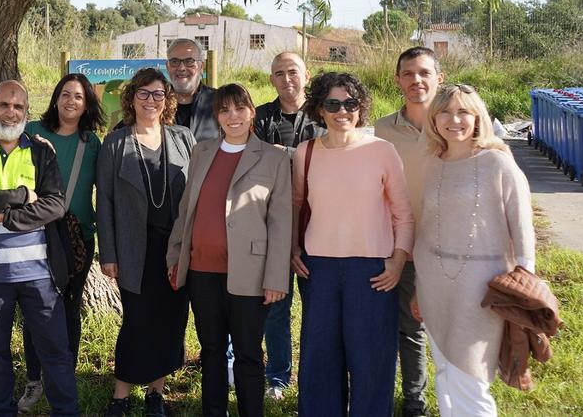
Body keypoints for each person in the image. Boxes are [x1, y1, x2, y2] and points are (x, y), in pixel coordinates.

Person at [0, 80, 80, 416]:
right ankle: (1, 410)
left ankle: (66, 410)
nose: (11, 112)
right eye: (4, 105)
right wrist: (22, 196)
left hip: (40, 274)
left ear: (26, 111)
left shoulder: (40, 152)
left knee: (55, 349)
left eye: (18, 106)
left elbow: (56, 204)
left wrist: (5, 218)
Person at [292, 72, 415, 417]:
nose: (342, 111)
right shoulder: (306, 152)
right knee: (319, 359)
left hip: (373, 270)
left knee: (372, 359)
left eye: (350, 103)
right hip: (320, 270)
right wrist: (292, 249)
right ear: (319, 108)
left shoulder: (382, 151)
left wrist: (397, 261)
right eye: (333, 104)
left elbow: (404, 214)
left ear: (361, 108)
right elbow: (295, 205)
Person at [168, 83, 292, 417]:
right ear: (217, 116)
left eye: (239, 108)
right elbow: (186, 211)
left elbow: (281, 224)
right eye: (224, 110)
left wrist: (277, 277)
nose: (232, 116)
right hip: (201, 271)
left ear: (251, 111)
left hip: (250, 276)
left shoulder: (274, 157)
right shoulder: (202, 152)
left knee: (249, 353)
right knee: (211, 352)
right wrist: (176, 255)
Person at [412, 84, 536, 416]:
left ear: (477, 116)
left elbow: (523, 227)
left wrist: (525, 286)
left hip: (482, 287)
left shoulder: (498, 162)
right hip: (434, 285)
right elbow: (425, 226)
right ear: (434, 119)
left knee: (470, 376)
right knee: (444, 373)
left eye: (463, 111)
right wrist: (417, 291)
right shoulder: (431, 163)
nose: (455, 120)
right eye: (445, 112)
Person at [97, 67, 196, 417]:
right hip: (134, 249)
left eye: (158, 94)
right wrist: (108, 253)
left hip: (176, 250)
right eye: (144, 93)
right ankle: (120, 396)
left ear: (167, 100)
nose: (151, 100)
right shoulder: (115, 142)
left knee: (171, 322)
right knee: (138, 323)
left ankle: (156, 393)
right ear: (132, 97)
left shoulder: (183, 137)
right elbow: (104, 201)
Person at [18, 73, 105, 412]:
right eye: (66, 94)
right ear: (56, 98)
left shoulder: (92, 143)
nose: (71, 101)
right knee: (33, 310)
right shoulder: (33, 134)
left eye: (79, 97)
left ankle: (63, 376)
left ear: (87, 105)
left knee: (69, 309)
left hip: (77, 239)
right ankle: (35, 379)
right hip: (37, 236)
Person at [374, 46, 444, 417]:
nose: (416, 80)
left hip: (445, 246)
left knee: (446, 329)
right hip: (399, 245)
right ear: (398, 80)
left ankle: (455, 395)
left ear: (438, 78)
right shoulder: (383, 129)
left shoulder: (454, 123)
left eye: (424, 73)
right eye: (408, 74)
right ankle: (412, 401)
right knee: (407, 326)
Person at [253, 51, 324, 399]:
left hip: (318, 228)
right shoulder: (261, 117)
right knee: (275, 309)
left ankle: (316, 377)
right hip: (273, 227)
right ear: (271, 80)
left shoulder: (326, 115)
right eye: (279, 73)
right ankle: (277, 379)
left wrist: (286, 154)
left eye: (293, 72)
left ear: (306, 75)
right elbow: (255, 160)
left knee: (317, 311)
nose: (287, 79)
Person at [166, 38, 219, 141]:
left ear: (201, 67)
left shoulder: (219, 101)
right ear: (167, 66)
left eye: (189, 61)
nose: (181, 68)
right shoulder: (155, 103)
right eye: (175, 61)